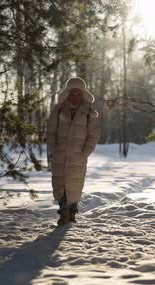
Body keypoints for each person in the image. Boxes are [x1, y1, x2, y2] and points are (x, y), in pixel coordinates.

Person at [46, 77, 101, 226]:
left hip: (78, 156)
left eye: (78, 93)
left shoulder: (89, 112)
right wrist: (53, 149)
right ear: (67, 93)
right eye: (72, 93)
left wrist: (85, 152)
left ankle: (72, 212)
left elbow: (93, 135)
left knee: (75, 184)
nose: (75, 96)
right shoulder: (58, 110)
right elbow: (50, 132)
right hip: (60, 155)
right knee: (60, 184)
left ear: (83, 94)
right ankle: (63, 212)